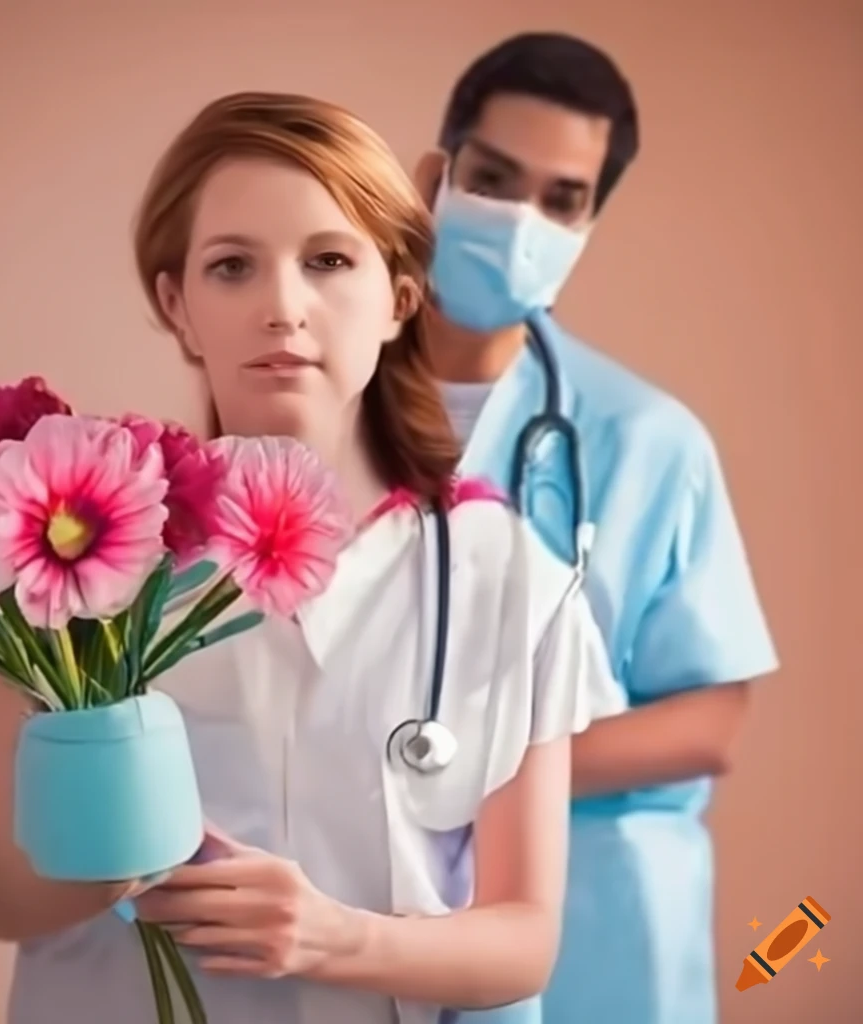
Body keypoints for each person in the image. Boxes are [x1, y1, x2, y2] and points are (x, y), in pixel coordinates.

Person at [0, 91, 620, 1024]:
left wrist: (331, 938)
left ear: (399, 298)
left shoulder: (505, 575)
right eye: (232, 267)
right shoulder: (72, 548)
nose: (281, 307)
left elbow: (524, 940)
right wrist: (116, 851)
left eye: (329, 261)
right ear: (178, 307)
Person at [412, 32, 779, 1024]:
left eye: (560, 199)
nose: (519, 221)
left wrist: (472, 769)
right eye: (492, 180)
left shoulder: (648, 439)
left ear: (586, 223)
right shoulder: (326, 405)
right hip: (380, 899)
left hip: (599, 917)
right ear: (437, 174)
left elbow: (710, 721)